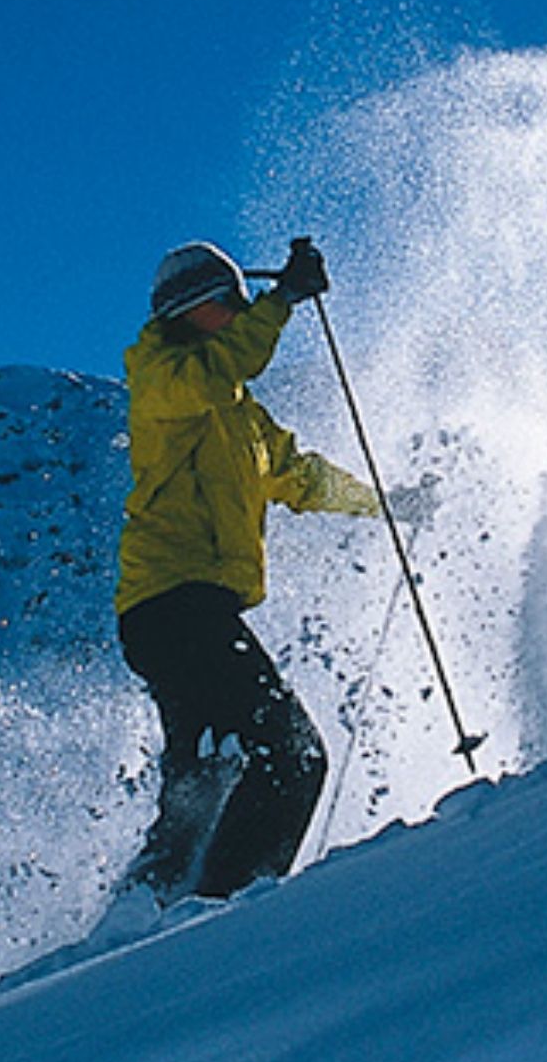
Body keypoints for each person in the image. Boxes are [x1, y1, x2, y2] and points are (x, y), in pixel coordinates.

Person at [115, 238, 382, 902]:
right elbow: (217, 372)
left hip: (188, 611)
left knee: (204, 781)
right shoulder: (162, 377)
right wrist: (281, 301)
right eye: (224, 304)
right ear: (189, 311)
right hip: (175, 608)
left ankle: (143, 912)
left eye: (239, 303)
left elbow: (301, 477)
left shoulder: (238, 416)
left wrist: (384, 504)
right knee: (293, 758)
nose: (237, 313)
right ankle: (226, 916)